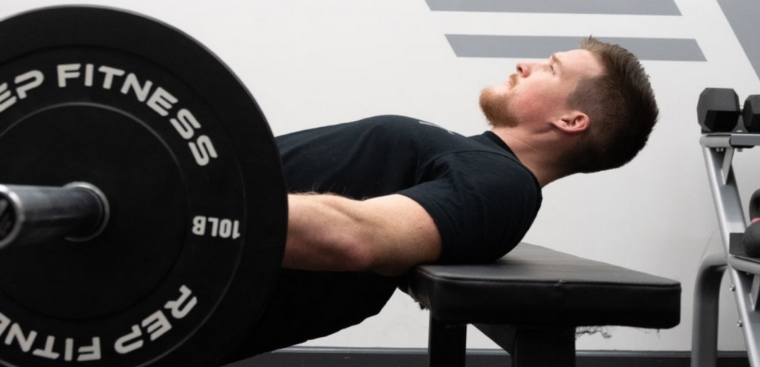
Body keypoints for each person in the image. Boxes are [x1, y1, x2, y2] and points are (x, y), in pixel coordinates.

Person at [229, 36, 659, 359]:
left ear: (570, 120)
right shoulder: (481, 161)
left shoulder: (501, 186)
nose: (524, 65)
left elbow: (355, 237)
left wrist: (193, 204)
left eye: (550, 68)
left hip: (181, 244)